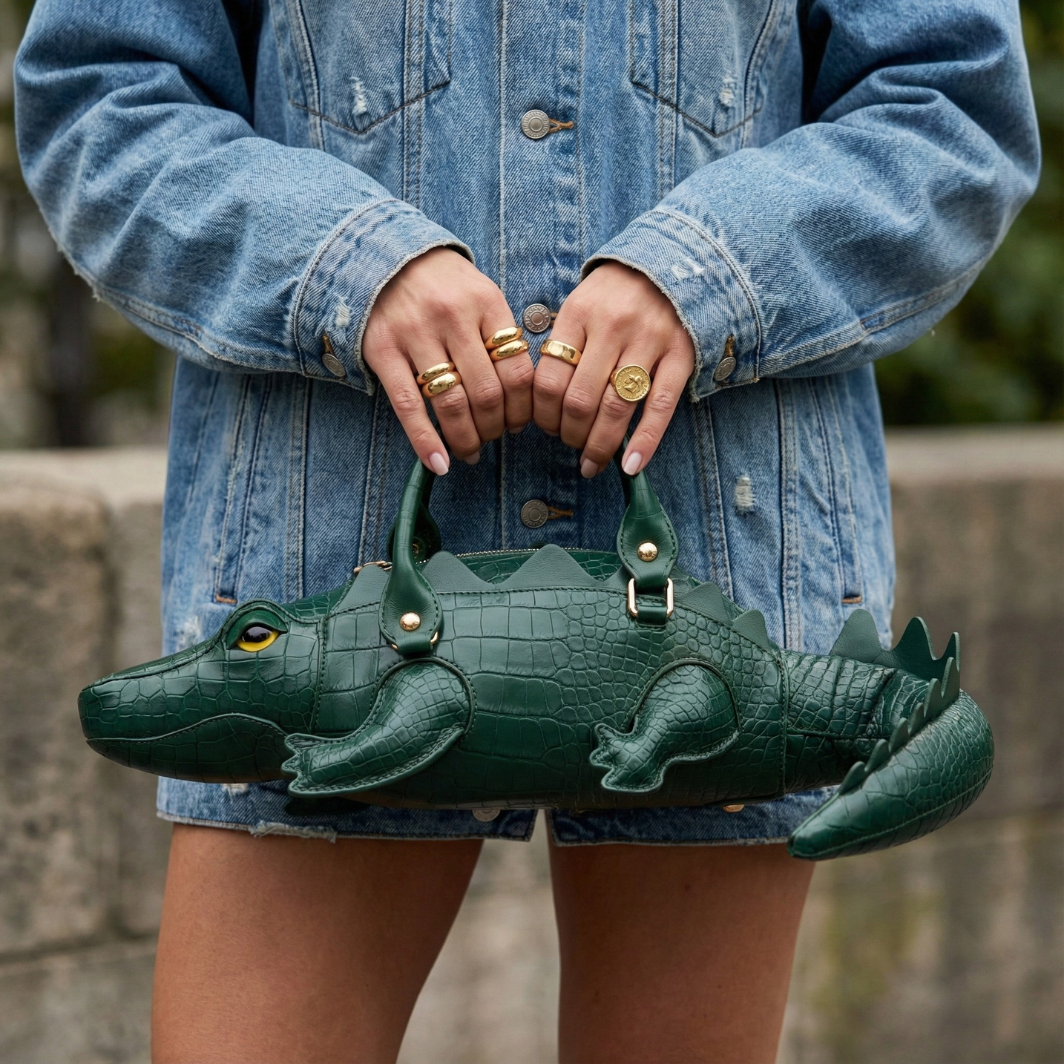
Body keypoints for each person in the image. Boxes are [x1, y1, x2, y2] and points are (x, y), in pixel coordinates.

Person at [15, 0, 1037, 1060]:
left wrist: (705, 272)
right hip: (328, 553)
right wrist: (345, 263)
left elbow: (950, 102)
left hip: (718, 544)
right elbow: (104, 96)